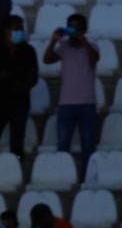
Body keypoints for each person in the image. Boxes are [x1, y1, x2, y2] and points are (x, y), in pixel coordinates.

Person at [43, 12, 100, 162]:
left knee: (88, 145)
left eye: (77, 28)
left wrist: (83, 41)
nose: (73, 31)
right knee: (63, 145)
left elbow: (94, 59)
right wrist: (53, 40)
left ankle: (87, 179)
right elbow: (47, 60)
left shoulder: (92, 46)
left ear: (84, 29)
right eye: (71, 27)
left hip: (87, 104)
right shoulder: (63, 46)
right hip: (66, 104)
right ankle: (62, 174)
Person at [0, 15, 38, 158]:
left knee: (17, 142)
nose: (20, 32)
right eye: (16, 29)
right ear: (6, 30)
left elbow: (33, 77)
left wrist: (22, 85)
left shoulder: (28, 51)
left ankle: (17, 169)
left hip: (20, 102)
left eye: (21, 29)